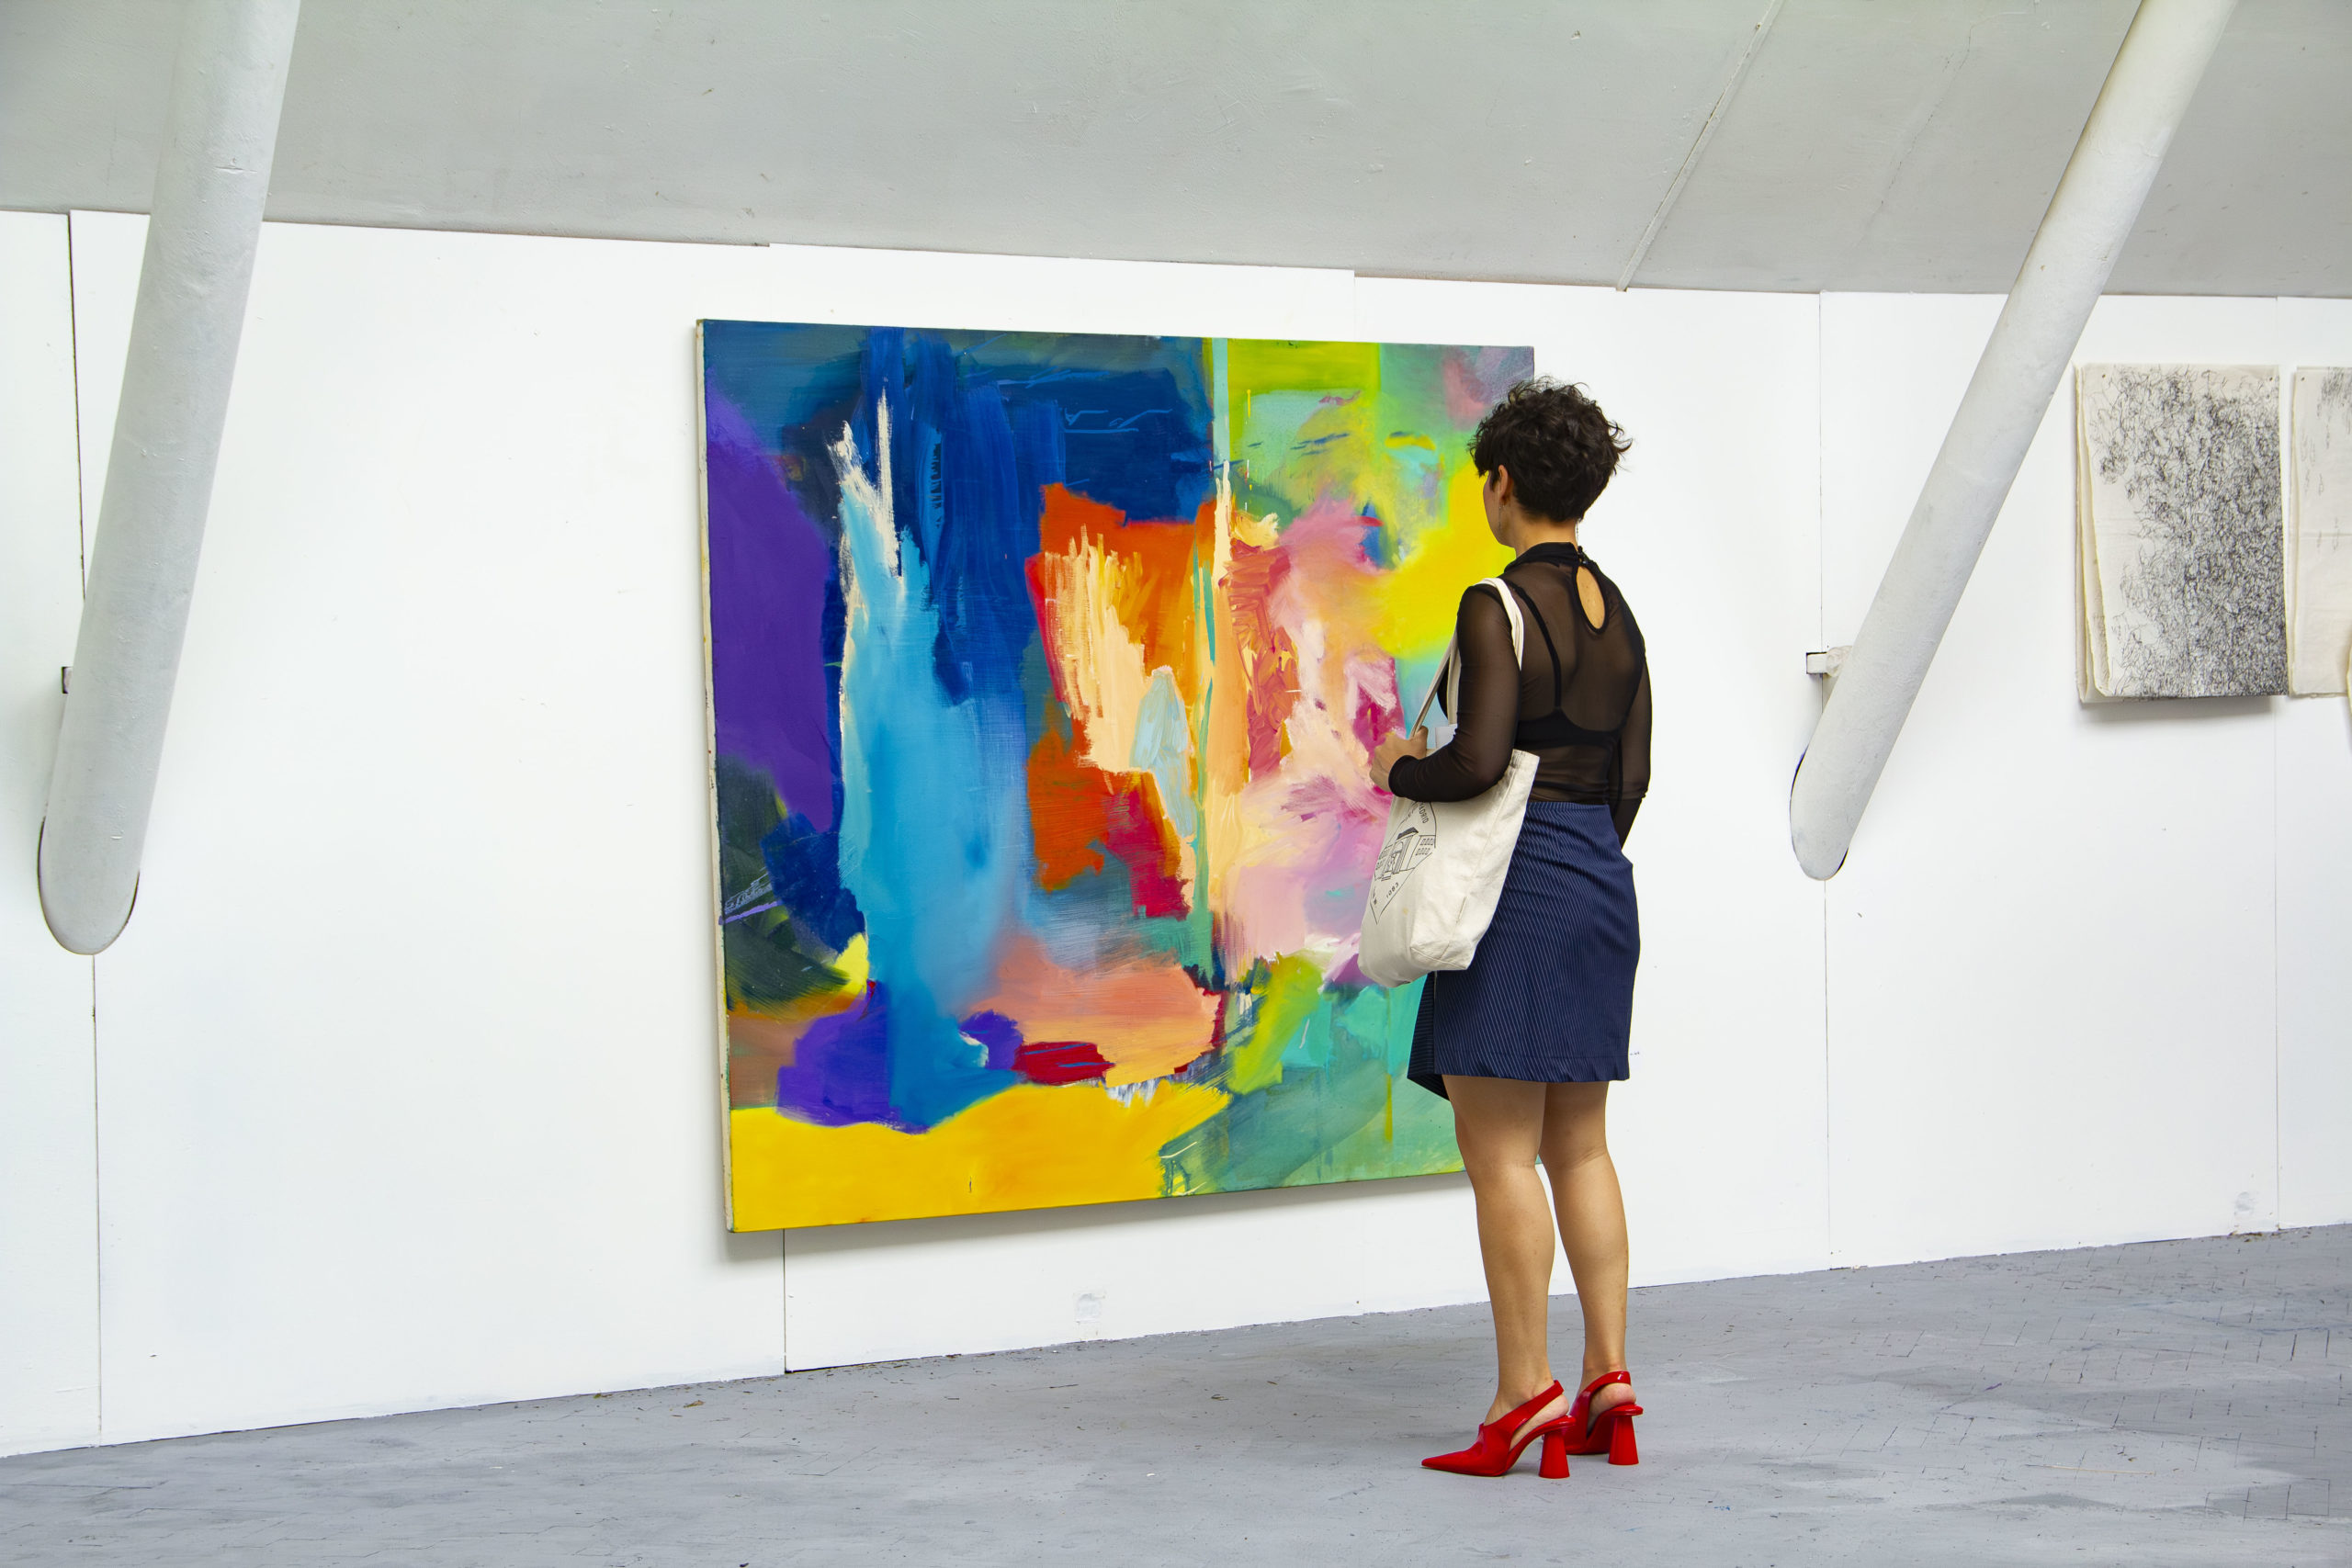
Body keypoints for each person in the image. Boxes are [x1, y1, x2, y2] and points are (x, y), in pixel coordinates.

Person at [1371, 377, 1651, 1480]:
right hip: (1598, 885)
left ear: (1500, 483)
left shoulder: (1495, 604)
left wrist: (1397, 769)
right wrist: (1581, 854)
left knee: (1499, 1155)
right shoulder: (1617, 612)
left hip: (1512, 893)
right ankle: (1607, 1380)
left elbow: (1478, 762)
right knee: (1580, 1143)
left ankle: (1522, 1393)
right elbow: (1632, 777)